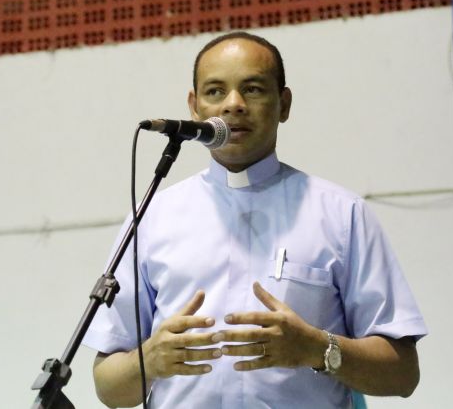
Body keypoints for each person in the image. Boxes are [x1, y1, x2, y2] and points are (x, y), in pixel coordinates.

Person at [83, 32, 427, 408]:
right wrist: (148, 361)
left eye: (253, 89)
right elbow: (109, 387)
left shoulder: (341, 214)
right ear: (194, 107)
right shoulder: (151, 218)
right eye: (215, 91)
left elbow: (402, 374)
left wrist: (316, 348)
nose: (234, 104)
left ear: (284, 104)